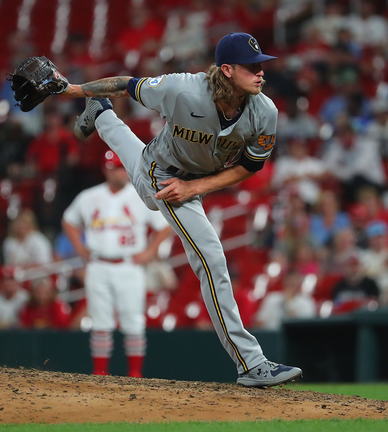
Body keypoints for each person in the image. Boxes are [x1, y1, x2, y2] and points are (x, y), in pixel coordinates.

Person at [56, 32, 303, 387]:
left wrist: (197, 187)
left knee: (137, 172)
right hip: (166, 174)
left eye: (262, 65)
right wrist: (73, 90)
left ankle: (101, 115)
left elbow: (251, 165)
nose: (261, 73)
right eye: (252, 67)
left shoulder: (265, 111)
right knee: (212, 257)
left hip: (182, 179)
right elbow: (128, 84)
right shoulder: (183, 89)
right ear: (228, 70)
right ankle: (251, 363)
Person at [62, 151, 173, 378]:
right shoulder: (89, 196)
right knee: (100, 322)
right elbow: (69, 220)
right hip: (98, 265)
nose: (122, 172)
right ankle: (100, 373)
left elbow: (165, 224)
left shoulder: (141, 196)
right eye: (116, 168)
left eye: (123, 167)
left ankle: (135, 374)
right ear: (106, 169)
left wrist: (150, 251)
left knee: (133, 322)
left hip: (128, 265)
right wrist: (79, 248)